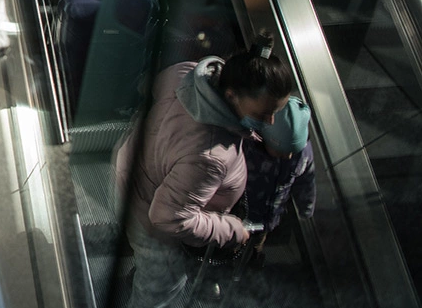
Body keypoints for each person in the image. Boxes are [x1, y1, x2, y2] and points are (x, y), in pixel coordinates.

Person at [114, 41, 297, 308]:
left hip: (131, 168)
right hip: (147, 214)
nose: (270, 122)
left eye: (276, 112)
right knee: (160, 287)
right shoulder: (209, 156)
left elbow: (151, 86)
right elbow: (168, 218)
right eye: (264, 113)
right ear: (232, 95)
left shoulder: (186, 73)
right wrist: (232, 230)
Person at [243, 96, 316, 267]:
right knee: (230, 245)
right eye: (282, 151)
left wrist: (306, 207)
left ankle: (250, 262)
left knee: (255, 245)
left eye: (293, 151)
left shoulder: (303, 154)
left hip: (267, 218)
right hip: (238, 213)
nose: (288, 156)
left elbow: (306, 180)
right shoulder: (248, 147)